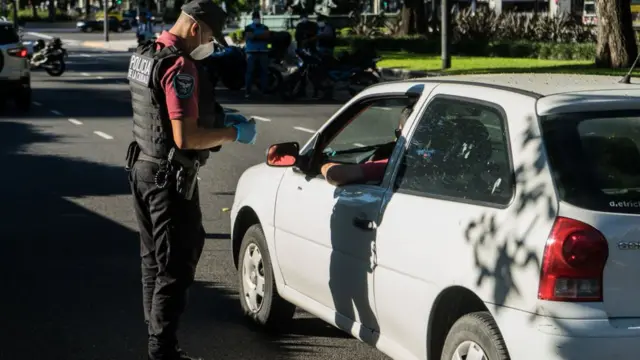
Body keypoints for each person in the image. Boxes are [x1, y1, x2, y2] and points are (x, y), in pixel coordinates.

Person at [125, 1, 256, 359]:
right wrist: (233, 133)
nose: (211, 43)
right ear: (197, 28)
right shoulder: (180, 66)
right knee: (176, 263)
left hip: (143, 168)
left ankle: (158, 343)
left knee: (153, 261)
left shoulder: (147, 53)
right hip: (169, 177)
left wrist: (216, 116)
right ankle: (162, 350)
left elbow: (159, 113)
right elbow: (186, 138)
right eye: (212, 35)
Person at [321, 105, 413, 186]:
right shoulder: (423, 164)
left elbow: (334, 174)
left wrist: (323, 166)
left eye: (398, 134)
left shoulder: (393, 166)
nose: (396, 141)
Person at [243, 11, 271, 98]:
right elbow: (249, 37)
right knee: (250, 72)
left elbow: (267, 37)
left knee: (264, 72)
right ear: (252, 18)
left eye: (258, 17)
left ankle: (264, 91)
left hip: (263, 51)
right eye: (255, 17)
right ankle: (248, 91)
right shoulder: (248, 27)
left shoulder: (265, 27)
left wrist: (255, 36)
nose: (257, 19)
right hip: (251, 52)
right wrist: (261, 36)